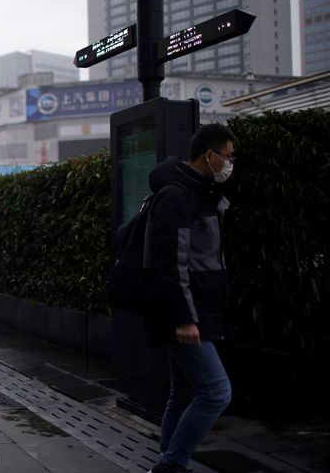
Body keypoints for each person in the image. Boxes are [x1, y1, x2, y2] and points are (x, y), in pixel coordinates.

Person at [145, 123, 237, 473]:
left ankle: (166, 462)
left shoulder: (201, 191)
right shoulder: (177, 195)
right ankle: (171, 465)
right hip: (182, 313)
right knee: (216, 392)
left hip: (195, 309)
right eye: (227, 157)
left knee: (182, 393)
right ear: (209, 155)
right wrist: (185, 318)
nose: (230, 163)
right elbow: (172, 262)